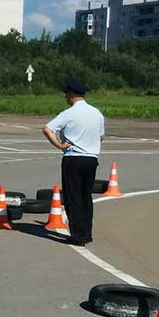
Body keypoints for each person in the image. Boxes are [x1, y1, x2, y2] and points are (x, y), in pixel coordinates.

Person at [42, 78, 105, 246]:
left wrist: (59, 145)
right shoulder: (96, 113)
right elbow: (101, 136)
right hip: (92, 159)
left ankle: (78, 235)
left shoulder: (69, 114)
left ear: (71, 95)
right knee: (86, 196)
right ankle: (86, 232)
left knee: (73, 197)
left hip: (74, 157)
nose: (65, 97)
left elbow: (47, 128)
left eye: (66, 94)